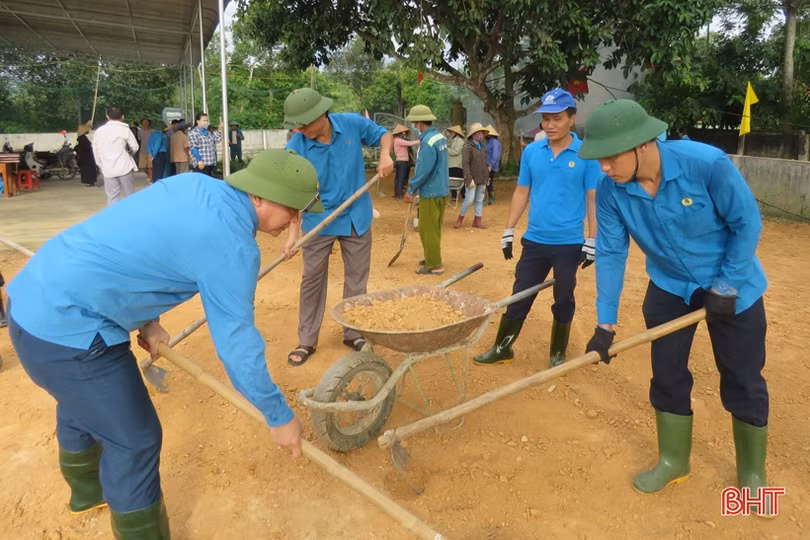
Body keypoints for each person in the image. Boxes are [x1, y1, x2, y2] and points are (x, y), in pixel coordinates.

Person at [6, 149, 321, 539]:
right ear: (259, 197)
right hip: (68, 333)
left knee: (81, 400)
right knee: (135, 440)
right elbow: (236, 344)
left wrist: (148, 321)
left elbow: (137, 243)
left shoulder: (192, 185)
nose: (295, 221)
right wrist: (277, 415)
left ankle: (89, 491)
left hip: (32, 300)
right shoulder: (234, 247)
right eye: (292, 210)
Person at [579, 100, 770, 514]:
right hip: (669, 286)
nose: (605, 168)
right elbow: (611, 252)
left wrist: (726, 286)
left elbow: (746, 223)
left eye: (610, 157)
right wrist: (605, 324)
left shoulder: (707, 165)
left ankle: (752, 475)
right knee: (666, 374)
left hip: (734, 284)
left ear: (643, 144)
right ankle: (673, 462)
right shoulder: (611, 190)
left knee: (742, 377)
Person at [474, 88, 599, 368]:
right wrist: (509, 230)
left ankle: (557, 353)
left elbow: (592, 198)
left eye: (556, 118)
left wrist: (592, 240)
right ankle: (502, 346)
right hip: (535, 241)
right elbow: (521, 192)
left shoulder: (587, 155)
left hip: (568, 243)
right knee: (521, 293)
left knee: (563, 296)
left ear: (571, 118)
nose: (550, 125)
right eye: (546, 119)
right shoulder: (532, 152)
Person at [282, 88, 394, 366]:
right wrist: (293, 235)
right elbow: (292, 193)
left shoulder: (352, 124)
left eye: (304, 124)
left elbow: (385, 134)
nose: (300, 130)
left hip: (356, 216)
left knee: (357, 279)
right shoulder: (297, 147)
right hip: (318, 220)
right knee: (312, 280)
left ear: (321, 115)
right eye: (297, 125)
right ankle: (307, 339)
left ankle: (353, 331)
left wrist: (385, 155)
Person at [403, 105, 449, 275]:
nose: (414, 125)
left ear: (420, 122)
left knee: (427, 228)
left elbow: (423, 170)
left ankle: (434, 265)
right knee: (434, 228)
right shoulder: (440, 137)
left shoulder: (428, 142)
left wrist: (411, 189)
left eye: (415, 122)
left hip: (430, 191)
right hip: (441, 189)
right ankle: (432, 257)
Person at [93, 106, 140, 205]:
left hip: (108, 168)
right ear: (122, 117)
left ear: (107, 116)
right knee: (130, 195)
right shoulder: (125, 130)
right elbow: (135, 147)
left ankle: (114, 217)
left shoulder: (99, 131)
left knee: (112, 197)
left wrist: (100, 165)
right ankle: (132, 216)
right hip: (125, 167)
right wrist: (129, 154)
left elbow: (96, 151)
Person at [454, 122, 490, 229]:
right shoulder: (467, 147)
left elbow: (485, 163)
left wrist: (487, 177)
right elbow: (465, 164)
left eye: (481, 133)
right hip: (472, 178)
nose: (480, 135)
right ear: (472, 135)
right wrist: (469, 179)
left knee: (479, 200)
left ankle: (477, 221)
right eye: (477, 132)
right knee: (469, 199)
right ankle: (460, 219)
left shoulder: (482, 147)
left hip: (482, 177)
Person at [391, 124, 420, 199]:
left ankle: (400, 193)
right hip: (401, 162)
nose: (404, 134)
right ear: (399, 133)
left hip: (403, 162)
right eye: (402, 133)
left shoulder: (398, 140)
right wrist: (421, 140)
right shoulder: (398, 140)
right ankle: (398, 194)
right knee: (400, 178)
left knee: (402, 178)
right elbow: (410, 143)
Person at [75, 122, 98, 187]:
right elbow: (87, 147)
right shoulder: (83, 139)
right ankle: (89, 181)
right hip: (87, 157)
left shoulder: (82, 138)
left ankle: (88, 181)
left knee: (86, 169)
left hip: (86, 157)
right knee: (88, 169)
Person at [446, 125, 465, 198]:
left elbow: (456, 151)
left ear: (456, 133)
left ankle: (464, 195)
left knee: (460, 180)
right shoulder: (451, 140)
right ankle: (454, 196)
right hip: (451, 164)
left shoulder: (460, 140)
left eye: (451, 132)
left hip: (457, 164)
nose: (450, 133)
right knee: (452, 180)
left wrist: (446, 149)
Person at [485, 124, 501, 205]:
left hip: (490, 166)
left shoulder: (494, 142)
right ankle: (490, 200)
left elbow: (495, 155)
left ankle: (490, 200)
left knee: (487, 182)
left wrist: (490, 165)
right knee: (488, 182)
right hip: (488, 165)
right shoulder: (489, 142)